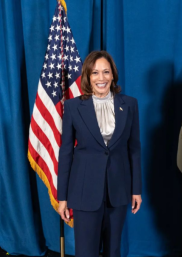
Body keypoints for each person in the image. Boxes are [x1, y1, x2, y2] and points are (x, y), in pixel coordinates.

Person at [57, 51, 142, 257]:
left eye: (106, 72)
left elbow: (134, 149)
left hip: (118, 190)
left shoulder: (129, 104)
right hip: (84, 191)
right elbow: (66, 152)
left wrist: (136, 190)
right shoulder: (73, 106)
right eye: (95, 73)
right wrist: (62, 197)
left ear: (113, 75)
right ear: (88, 76)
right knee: (86, 252)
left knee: (113, 251)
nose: (101, 78)